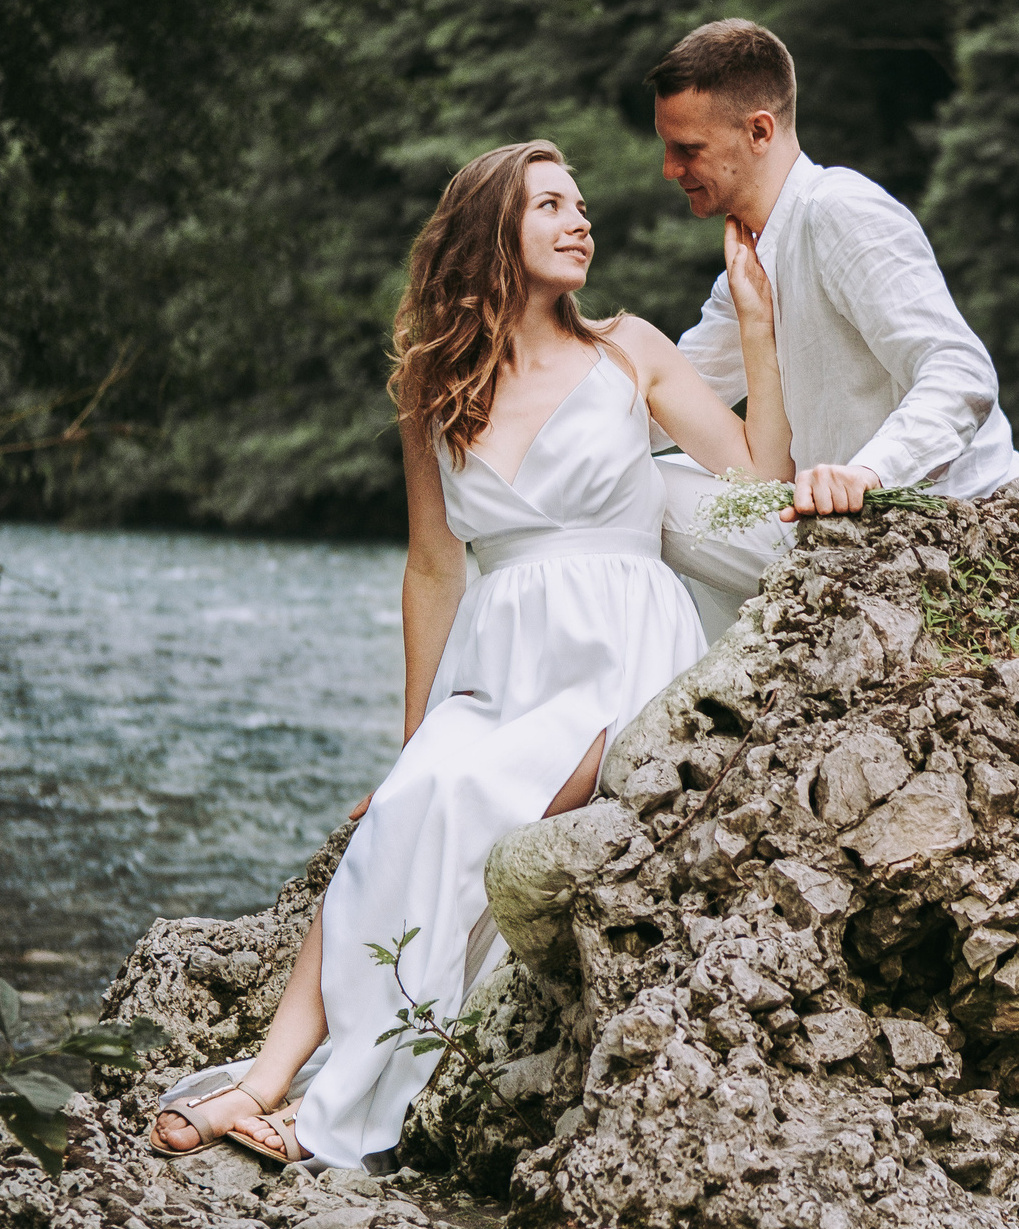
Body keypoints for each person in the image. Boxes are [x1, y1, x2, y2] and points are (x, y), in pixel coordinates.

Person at [147, 138, 791, 1169]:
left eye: (580, 205)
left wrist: (756, 329)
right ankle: (263, 1082)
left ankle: (331, 1115)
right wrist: (413, 740)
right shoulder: (434, 384)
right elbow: (434, 570)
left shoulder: (631, 348)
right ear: (496, 229)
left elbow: (761, 480)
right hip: (501, 661)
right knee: (410, 804)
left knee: (471, 809)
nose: (580, 220)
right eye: (549, 205)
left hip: (621, 645)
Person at [645, 20, 1019, 636]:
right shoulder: (749, 263)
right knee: (618, 473)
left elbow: (960, 371)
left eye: (687, 148)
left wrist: (868, 474)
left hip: (949, 529)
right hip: (836, 536)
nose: (669, 169)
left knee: (641, 489)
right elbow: (669, 402)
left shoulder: (839, 210)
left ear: (759, 131)